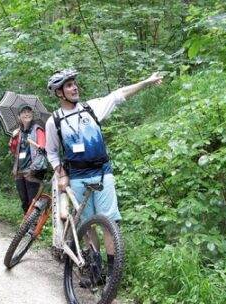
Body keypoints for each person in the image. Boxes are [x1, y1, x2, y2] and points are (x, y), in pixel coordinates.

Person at [45, 69, 162, 283]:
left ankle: (112, 275)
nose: (74, 87)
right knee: (88, 227)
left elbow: (119, 95)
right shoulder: (54, 121)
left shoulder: (91, 108)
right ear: (59, 93)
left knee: (109, 223)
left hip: (102, 173)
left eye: (74, 84)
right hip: (77, 176)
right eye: (69, 85)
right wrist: (60, 173)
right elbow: (51, 152)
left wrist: (146, 81)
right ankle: (95, 271)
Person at [9, 104, 47, 213]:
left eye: (29, 111)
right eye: (24, 112)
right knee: (24, 202)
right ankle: (26, 226)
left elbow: (43, 147)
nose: (27, 114)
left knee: (33, 202)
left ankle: (33, 227)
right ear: (19, 116)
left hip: (32, 170)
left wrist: (39, 147)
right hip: (19, 171)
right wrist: (13, 137)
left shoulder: (38, 129)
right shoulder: (18, 132)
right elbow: (13, 151)